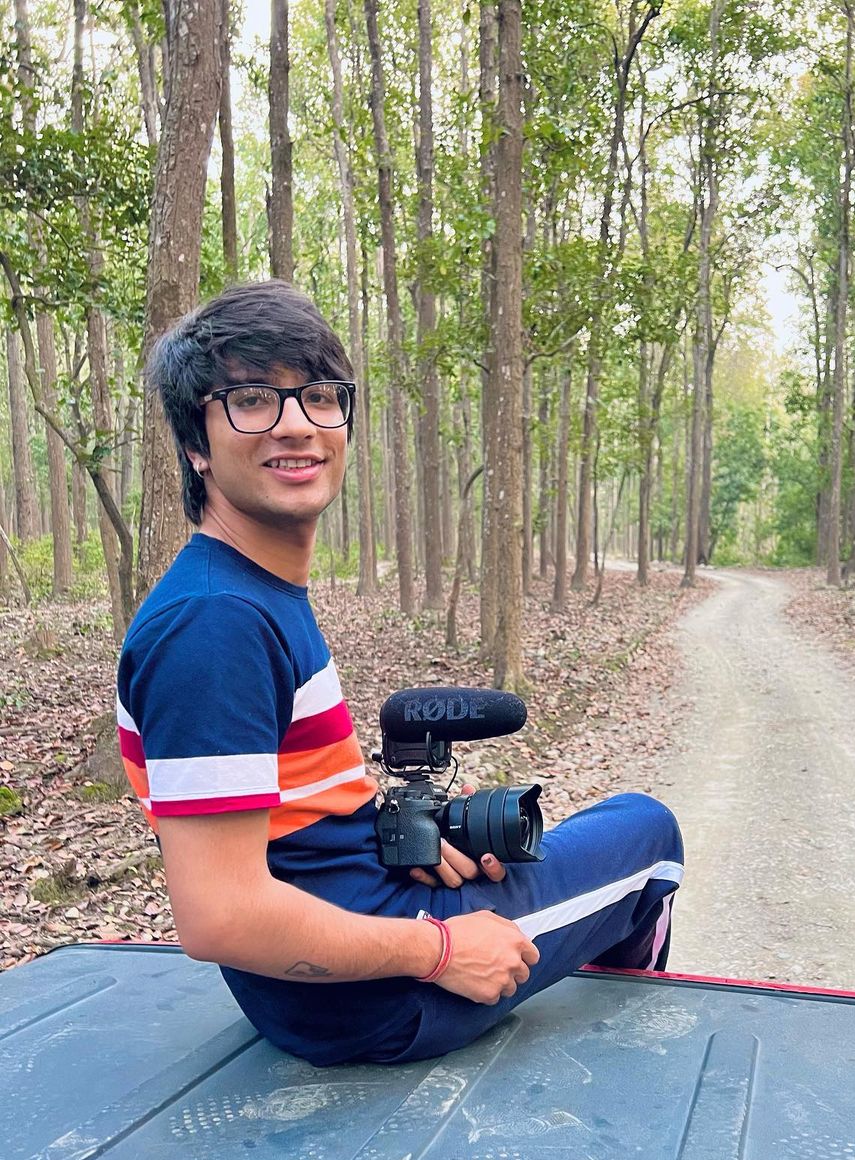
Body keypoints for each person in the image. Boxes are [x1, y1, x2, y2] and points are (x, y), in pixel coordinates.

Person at [116, 280, 684, 1066]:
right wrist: (444, 952)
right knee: (652, 834)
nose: (297, 426)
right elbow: (218, 915)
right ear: (197, 443)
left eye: (319, 396)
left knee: (571, 835)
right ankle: (632, 1032)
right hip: (373, 997)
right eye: (252, 399)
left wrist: (412, 840)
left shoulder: (246, 592)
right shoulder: (215, 624)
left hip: (349, 950)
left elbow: (293, 836)